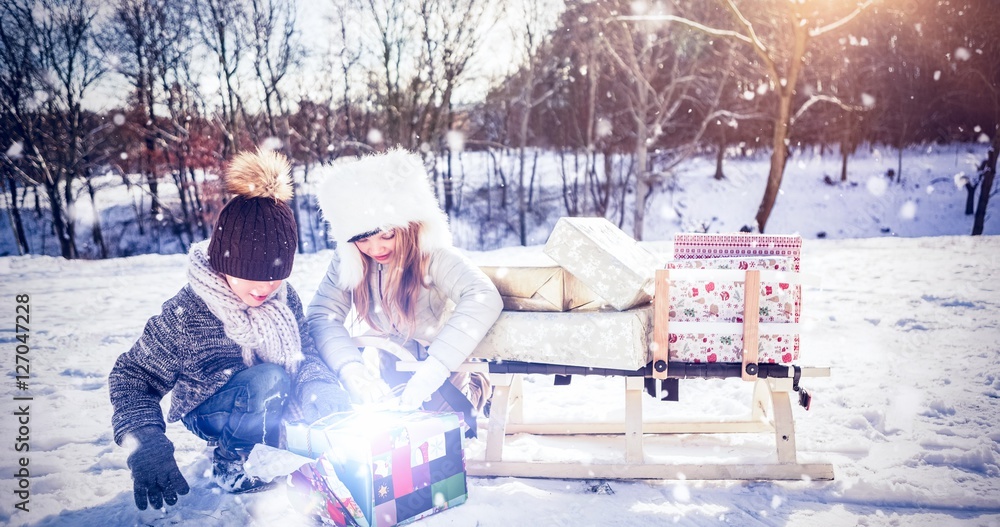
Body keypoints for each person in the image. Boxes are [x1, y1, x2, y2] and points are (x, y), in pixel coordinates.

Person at [108, 149, 349, 510]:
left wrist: (320, 387)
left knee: (317, 396)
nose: (262, 289)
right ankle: (229, 463)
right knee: (268, 379)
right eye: (249, 276)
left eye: (274, 276)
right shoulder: (188, 312)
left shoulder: (285, 298)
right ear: (223, 264)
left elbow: (306, 354)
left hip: (270, 401)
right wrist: (146, 441)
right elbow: (131, 376)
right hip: (210, 408)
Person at [308, 148, 503, 436]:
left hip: (446, 360)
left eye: (386, 234)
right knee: (401, 428)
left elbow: (483, 295)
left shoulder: (431, 252)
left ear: (408, 225)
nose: (376, 249)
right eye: (363, 239)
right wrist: (352, 369)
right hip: (394, 360)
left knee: (447, 429)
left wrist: (435, 368)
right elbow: (322, 315)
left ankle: (477, 385)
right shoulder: (349, 259)